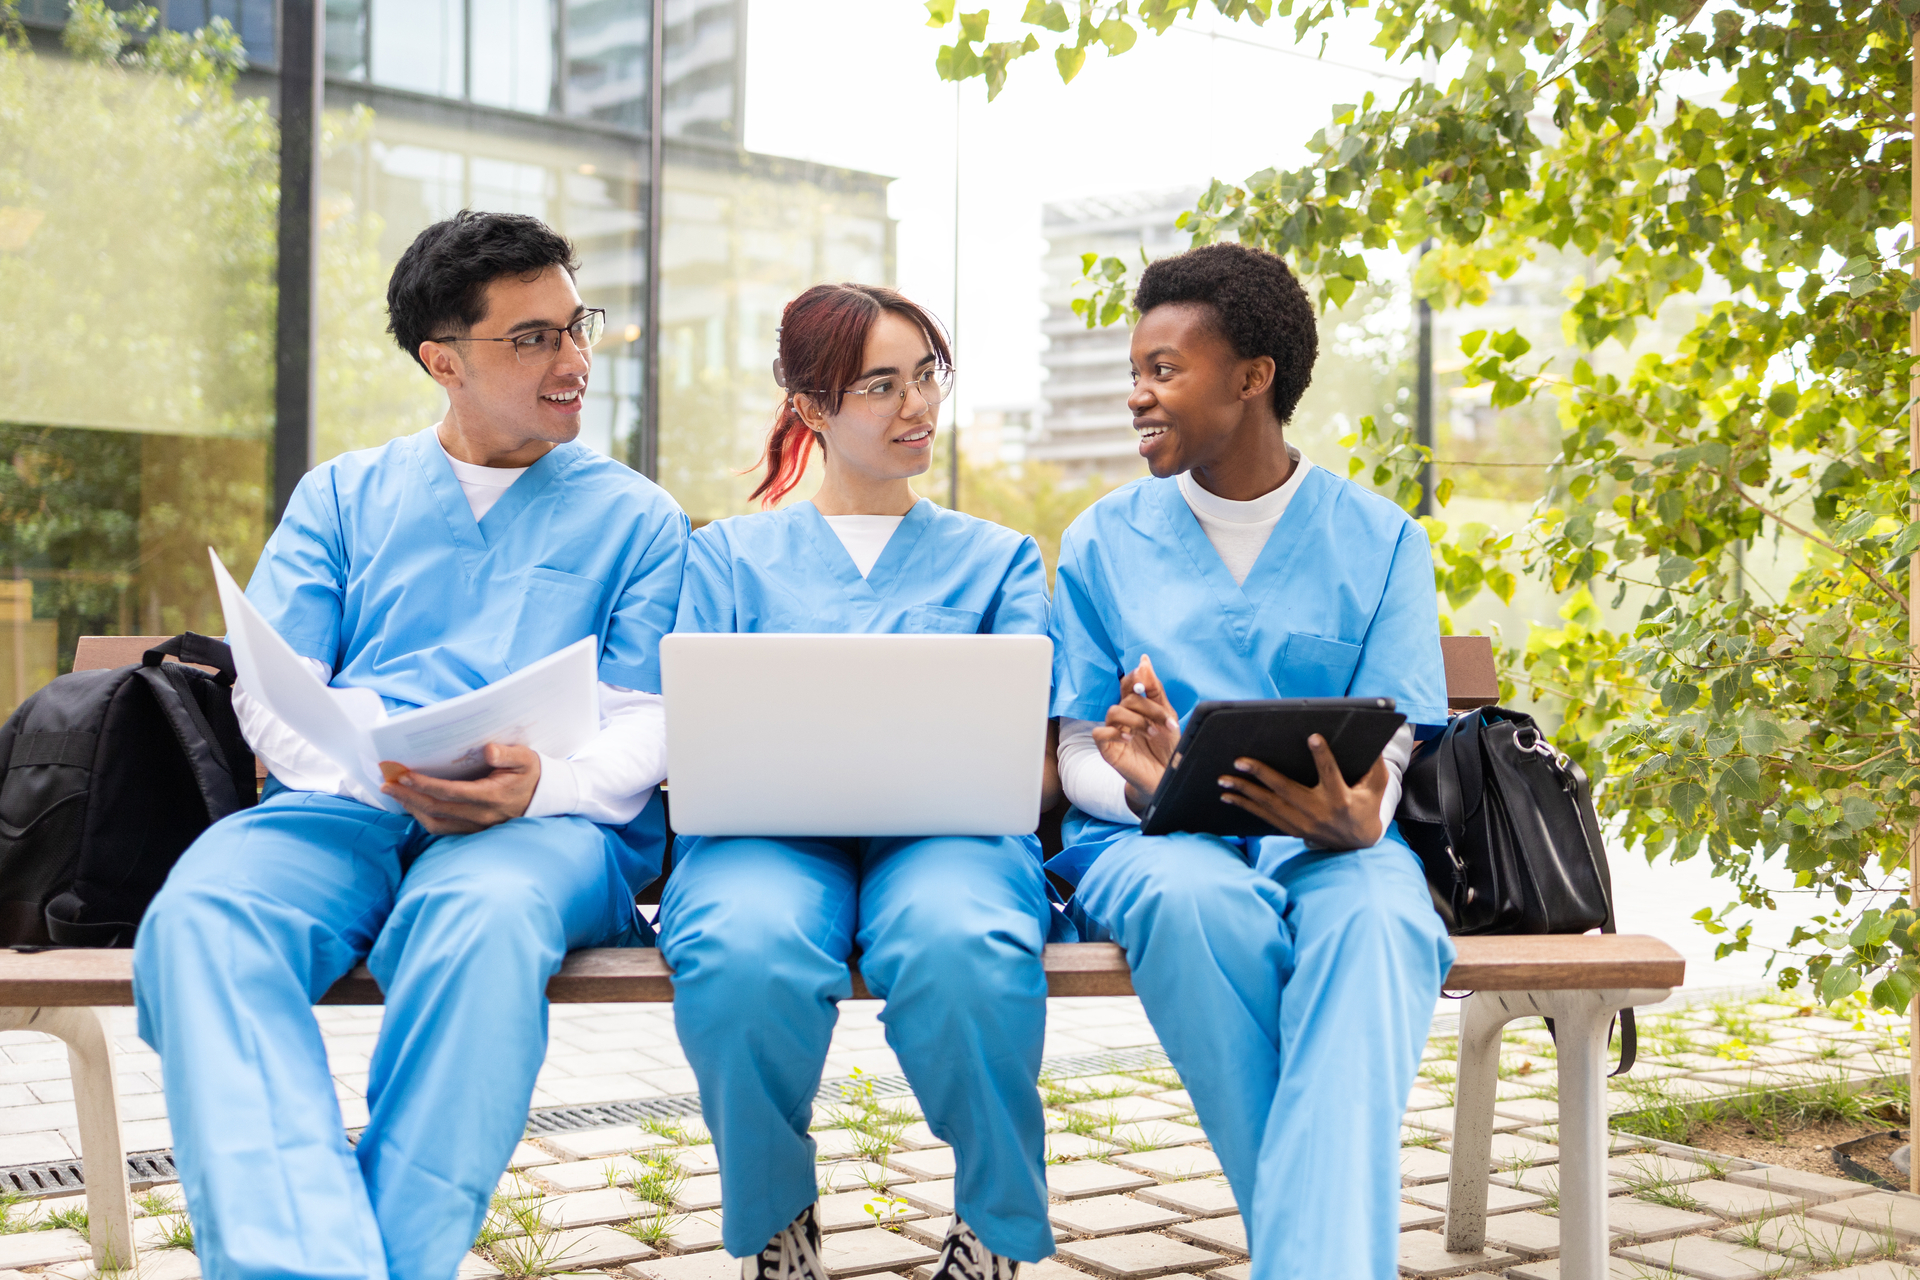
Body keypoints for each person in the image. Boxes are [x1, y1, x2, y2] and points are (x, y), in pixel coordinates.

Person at [132, 210, 688, 1280]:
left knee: (476, 919)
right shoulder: (342, 496)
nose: (573, 361)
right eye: (533, 338)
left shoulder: (639, 520)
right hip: (345, 800)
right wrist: (372, 768)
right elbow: (274, 691)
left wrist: (541, 787)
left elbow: (648, 716)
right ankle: (308, 1260)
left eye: (578, 328)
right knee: (203, 917)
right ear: (444, 360)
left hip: (547, 822)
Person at [1047, 242, 1453, 1280]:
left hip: (1333, 841)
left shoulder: (1383, 539)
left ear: (1253, 374)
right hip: (1150, 844)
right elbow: (1075, 746)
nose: (1138, 394)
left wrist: (1368, 809)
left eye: (1163, 369)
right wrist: (1148, 779)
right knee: (1200, 904)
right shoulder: (1101, 540)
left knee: (1380, 918)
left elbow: (1397, 733)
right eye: (1132, 372)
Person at [659, 283, 1064, 1280]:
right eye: (881, 385)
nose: (917, 405)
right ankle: (776, 1217)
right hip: (761, 836)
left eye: (927, 375)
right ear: (810, 407)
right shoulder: (725, 559)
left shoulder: (1001, 561)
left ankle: (995, 1226)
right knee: (743, 951)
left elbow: (1033, 753)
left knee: (963, 942)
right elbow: (687, 733)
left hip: (952, 836)